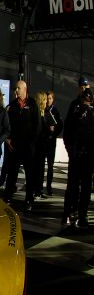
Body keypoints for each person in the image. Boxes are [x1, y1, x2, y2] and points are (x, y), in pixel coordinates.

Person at [2, 79, 41, 210]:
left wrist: (32, 142)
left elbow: (37, 125)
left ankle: (29, 200)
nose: (16, 91)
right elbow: (6, 125)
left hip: (28, 147)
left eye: (18, 88)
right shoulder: (11, 106)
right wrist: (8, 139)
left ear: (25, 89)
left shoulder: (33, 104)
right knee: (11, 173)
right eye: (15, 88)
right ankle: (7, 197)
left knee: (30, 175)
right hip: (14, 146)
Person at [62, 88, 94, 228]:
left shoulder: (89, 112)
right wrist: (70, 150)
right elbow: (67, 132)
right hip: (77, 155)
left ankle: (81, 214)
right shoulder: (75, 111)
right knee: (74, 186)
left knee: (84, 186)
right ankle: (70, 213)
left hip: (87, 156)